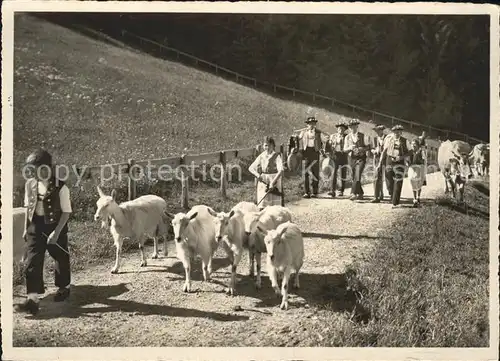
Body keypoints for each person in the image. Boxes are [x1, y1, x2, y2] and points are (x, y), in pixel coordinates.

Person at [14, 148, 73, 316]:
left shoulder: (60, 187)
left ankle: (63, 287)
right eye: (32, 169)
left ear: (48, 167)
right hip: (35, 226)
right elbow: (28, 207)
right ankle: (32, 299)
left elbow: (67, 212)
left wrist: (56, 233)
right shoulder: (30, 184)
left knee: (60, 256)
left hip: (55, 226)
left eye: (38, 168)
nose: (34, 172)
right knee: (32, 260)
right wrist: (27, 228)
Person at [377, 125, 409, 207]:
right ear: (393, 132)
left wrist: (401, 157)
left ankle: (395, 202)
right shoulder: (388, 140)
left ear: (401, 132)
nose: (397, 133)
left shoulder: (405, 141)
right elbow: (384, 151)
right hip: (389, 161)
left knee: (398, 180)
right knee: (388, 178)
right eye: (395, 132)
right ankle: (391, 193)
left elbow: (410, 152)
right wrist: (380, 162)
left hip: (400, 162)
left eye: (399, 132)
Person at [248, 136, 284, 210]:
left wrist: (272, 183)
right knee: (262, 206)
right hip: (263, 181)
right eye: (266, 145)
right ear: (263, 146)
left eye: (270, 145)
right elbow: (251, 168)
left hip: (274, 180)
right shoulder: (261, 156)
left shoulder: (277, 156)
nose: (267, 147)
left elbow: (281, 170)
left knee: (275, 207)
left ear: (273, 146)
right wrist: (257, 175)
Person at [295, 116, 326, 198]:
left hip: (315, 152)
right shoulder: (303, 132)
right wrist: (296, 137)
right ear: (307, 125)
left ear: (315, 124)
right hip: (306, 153)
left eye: (313, 124)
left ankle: (315, 192)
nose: (311, 125)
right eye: (310, 124)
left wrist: (323, 149)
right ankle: (306, 192)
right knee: (305, 172)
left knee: (315, 172)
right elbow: (297, 139)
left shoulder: (318, 133)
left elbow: (325, 140)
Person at [343, 118, 368, 200]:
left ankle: (353, 193)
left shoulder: (363, 135)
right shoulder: (347, 137)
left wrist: (362, 149)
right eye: (351, 126)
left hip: (361, 158)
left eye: (354, 126)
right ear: (349, 127)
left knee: (357, 174)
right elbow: (344, 150)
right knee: (354, 176)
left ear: (357, 126)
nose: (353, 128)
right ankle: (360, 193)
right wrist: (350, 147)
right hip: (352, 158)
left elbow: (369, 147)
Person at [324, 121, 348, 198]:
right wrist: (327, 153)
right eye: (339, 128)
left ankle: (341, 190)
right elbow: (327, 145)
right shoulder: (333, 136)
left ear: (344, 130)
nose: (340, 130)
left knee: (343, 172)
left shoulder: (347, 136)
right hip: (335, 155)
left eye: (342, 129)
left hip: (344, 155)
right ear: (337, 129)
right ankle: (332, 190)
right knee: (334, 173)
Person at [370, 124, 387, 203]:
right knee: (376, 177)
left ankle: (381, 194)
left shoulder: (387, 138)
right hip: (377, 159)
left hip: (386, 159)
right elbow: (371, 149)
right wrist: (374, 151)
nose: (377, 132)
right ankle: (377, 196)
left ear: (382, 130)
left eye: (378, 130)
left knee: (385, 178)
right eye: (376, 130)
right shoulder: (374, 139)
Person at [407, 139, 426, 207]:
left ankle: (418, 197)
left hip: (419, 168)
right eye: (412, 144)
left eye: (414, 144)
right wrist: (408, 162)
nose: (413, 145)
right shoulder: (410, 152)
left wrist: (418, 156)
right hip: (412, 168)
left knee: (419, 183)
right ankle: (414, 198)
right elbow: (408, 161)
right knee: (412, 181)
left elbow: (423, 161)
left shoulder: (421, 152)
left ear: (418, 145)